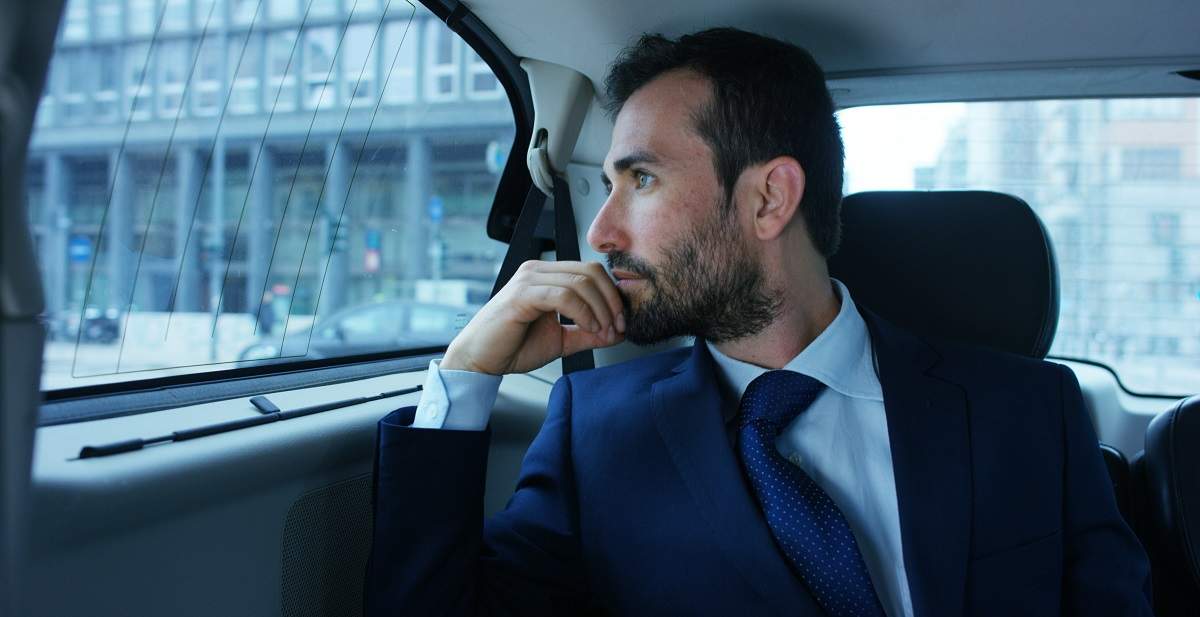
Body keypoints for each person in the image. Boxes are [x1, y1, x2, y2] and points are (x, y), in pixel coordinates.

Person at [366, 28, 1152, 617]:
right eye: (604, 183)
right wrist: (468, 372)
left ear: (770, 199)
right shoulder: (593, 437)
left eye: (640, 178)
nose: (602, 232)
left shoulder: (1030, 411)